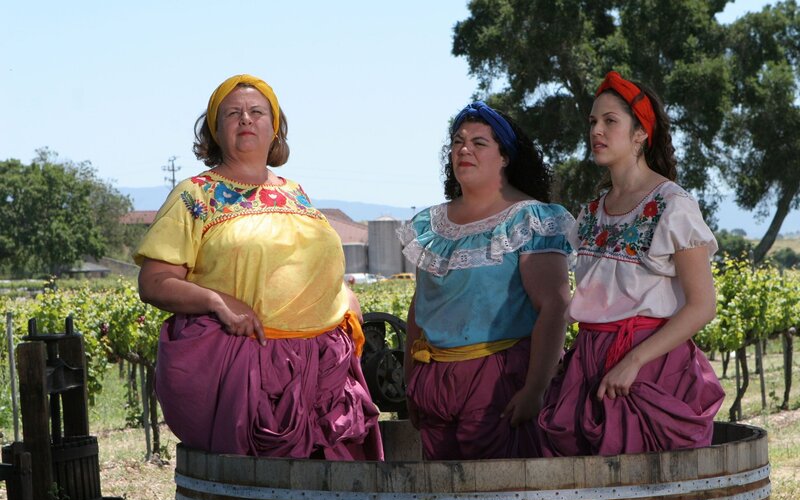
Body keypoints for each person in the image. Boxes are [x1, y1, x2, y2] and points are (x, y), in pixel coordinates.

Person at [135, 74, 383, 460]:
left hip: (323, 366)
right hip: (248, 367)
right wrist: (218, 302)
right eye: (232, 113)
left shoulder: (295, 193)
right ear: (216, 131)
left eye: (257, 112)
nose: (246, 119)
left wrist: (344, 295)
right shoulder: (194, 195)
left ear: (275, 128)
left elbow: (313, 262)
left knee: (333, 486)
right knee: (261, 486)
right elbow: (154, 281)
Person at [537, 71, 725, 456]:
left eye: (610, 121)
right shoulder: (591, 213)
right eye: (593, 121)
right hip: (586, 362)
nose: (596, 130)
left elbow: (702, 306)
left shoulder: (673, 205)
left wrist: (634, 361)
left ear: (640, 133)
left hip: (649, 366)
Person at [397, 101, 574, 460]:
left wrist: (535, 390)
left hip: (500, 384)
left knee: (501, 489)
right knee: (442, 490)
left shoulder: (530, 219)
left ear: (505, 156)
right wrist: (411, 379)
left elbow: (554, 306)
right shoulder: (429, 225)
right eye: (458, 142)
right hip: (434, 386)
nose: (464, 149)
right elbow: (421, 305)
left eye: (479, 143)